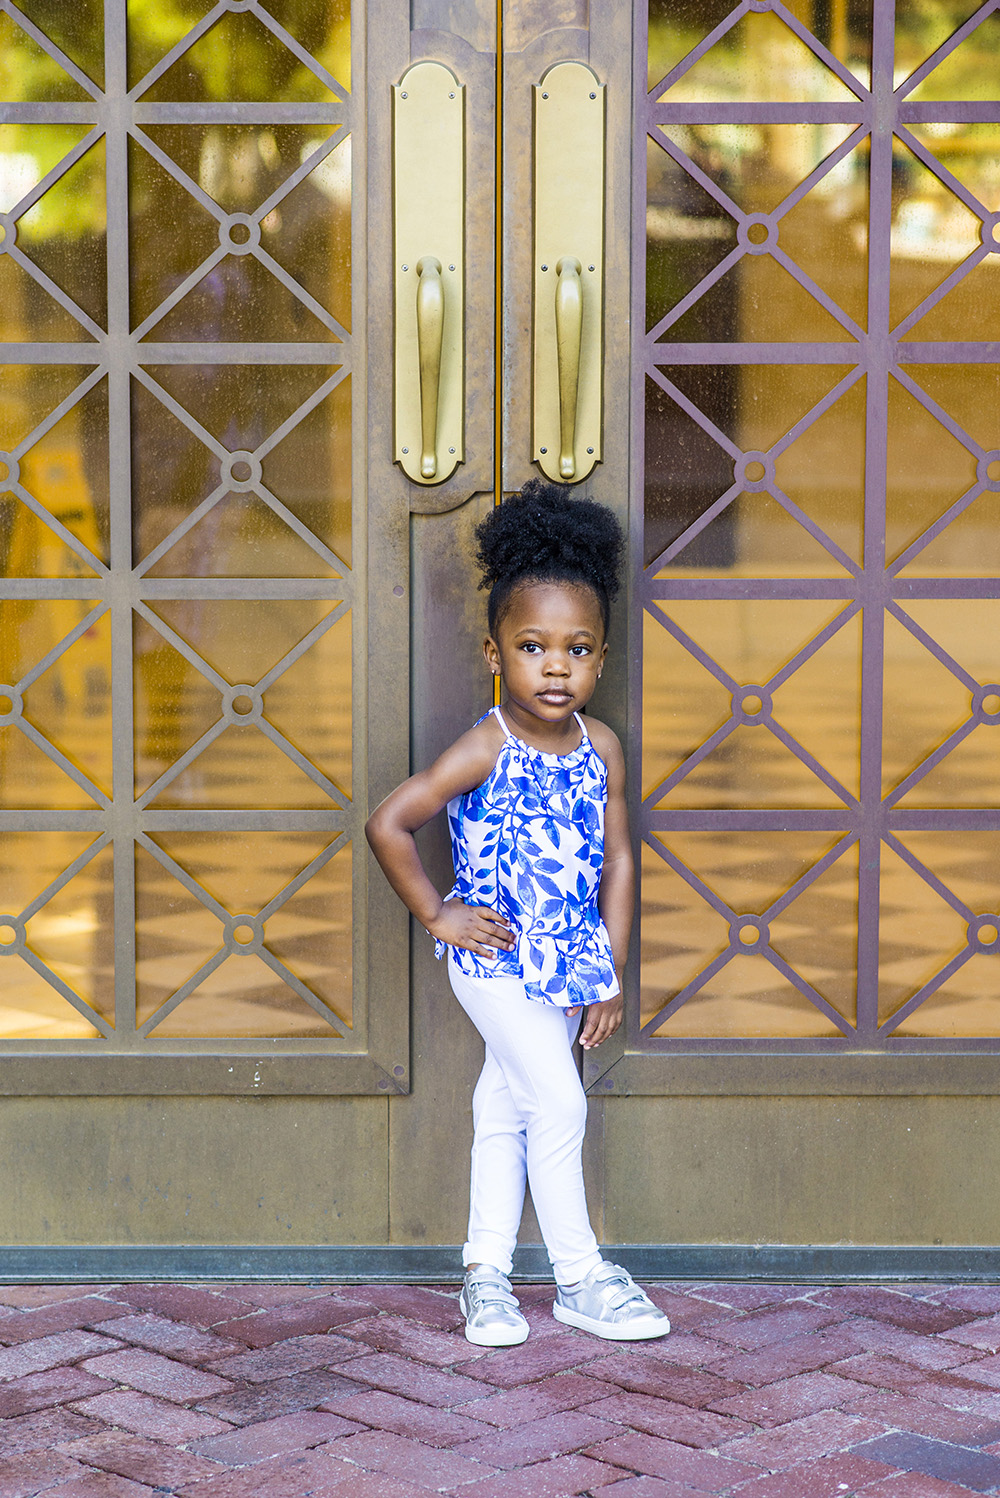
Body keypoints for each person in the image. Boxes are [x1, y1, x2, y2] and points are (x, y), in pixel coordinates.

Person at [365, 481, 669, 1347]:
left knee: (503, 1111)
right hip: (495, 962)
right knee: (560, 1106)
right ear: (496, 653)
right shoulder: (485, 746)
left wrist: (607, 969)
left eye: (577, 649)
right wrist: (438, 914)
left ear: (601, 659)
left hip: (569, 965)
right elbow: (389, 822)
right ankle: (581, 1277)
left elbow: (618, 859)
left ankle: (485, 1276)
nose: (556, 667)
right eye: (533, 647)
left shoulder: (601, 747)